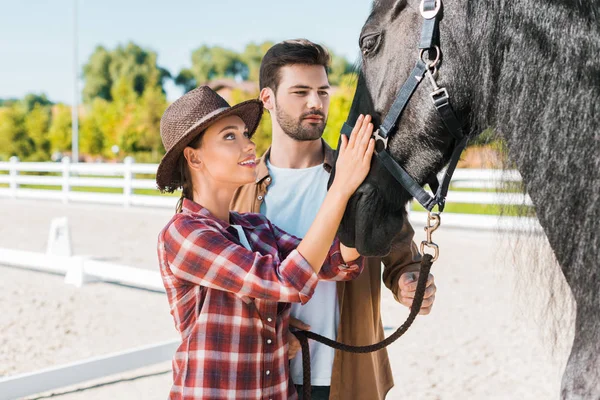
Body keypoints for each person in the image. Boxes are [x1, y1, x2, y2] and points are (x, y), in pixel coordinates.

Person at [231, 39, 437, 400]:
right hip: (263, 376)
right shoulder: (237, 189)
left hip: (350, 377)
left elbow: (403, 256)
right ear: (267, 98)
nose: (315, 103)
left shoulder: (361, 174)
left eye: (322, 92)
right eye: (300, 92)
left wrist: (410, 280)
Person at [156, 85, 376, 400]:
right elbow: (286, 281)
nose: (249, 145)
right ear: (194, 157)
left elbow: (332, 261)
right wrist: (340, 188)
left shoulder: (256, 226)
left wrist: (369, 188)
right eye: (230, 137)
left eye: (245, 134)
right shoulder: (184, 234)